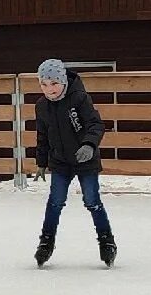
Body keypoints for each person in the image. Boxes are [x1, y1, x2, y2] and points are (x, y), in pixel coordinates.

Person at [31, 58, 114, 268]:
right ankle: (46, 242)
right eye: (44, 84)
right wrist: (41, 162)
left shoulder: (79, 99)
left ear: (63, 82)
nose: (49, 89)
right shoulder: (41, 106)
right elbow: (42, 136)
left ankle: (107, 241)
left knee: (92, 201)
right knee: (54, 202)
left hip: (85, 160)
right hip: (60, 162)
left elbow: (96, 125)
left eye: (54, 84)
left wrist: (89, 145)